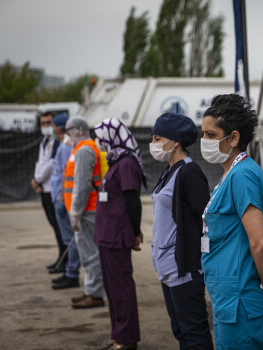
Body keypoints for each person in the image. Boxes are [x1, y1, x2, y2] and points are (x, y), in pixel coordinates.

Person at [200, 94, 263, 349]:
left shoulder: (242, 176)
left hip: (240, 301)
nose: (204, 141)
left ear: (234, 138)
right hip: (228, 300)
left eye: (210, 134)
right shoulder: (231, 174)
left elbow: (260, 242)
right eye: (203, 134)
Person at [150, 113, 213, 350]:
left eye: (158, 138)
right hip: (166, 266)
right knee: (180, 330)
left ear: (175, 141)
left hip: (184, 268)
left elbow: (205, 219)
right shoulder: (169, 170)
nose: (153, 143)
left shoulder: (189, 172)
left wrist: (200, 256)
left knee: (194, 333)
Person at [93, 118, 146, 350]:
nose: (99, 142)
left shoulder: (126, 164)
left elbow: (133, 202)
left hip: (117, 235)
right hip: (106, 235)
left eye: (101, 137)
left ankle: (127, 339)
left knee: (121, 288)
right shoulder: (115, 162)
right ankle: (118, 334)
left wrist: (136, 232)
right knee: (112, 289)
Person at [64, 116, 105, 309]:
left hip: (88, 210)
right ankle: (91, 290)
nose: (66, 136)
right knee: (88, 252)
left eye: (68, 131)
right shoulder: (82, 149)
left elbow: (82, 185)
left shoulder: (84, 150)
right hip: (87, 210)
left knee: (90, 254)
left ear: (78, 130)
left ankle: (95, 294)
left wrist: (75, 213)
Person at [49, 114, 81, 290]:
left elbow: (68, 174)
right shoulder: (64, 145)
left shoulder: (67, 147)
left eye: (53, 125)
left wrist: (63, 198)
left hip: (65, 199)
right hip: (60, 197)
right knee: (69, 238)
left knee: (71, 239)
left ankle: (71, 273)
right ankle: (69, 271)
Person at [31, 111, 66, 273]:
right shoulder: (44, 142)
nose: (46, 126)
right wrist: (36, 181)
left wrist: (37, 180)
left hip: (52, 189)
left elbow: (51, 165)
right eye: (43, 123)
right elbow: (40, 163)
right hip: (44, 187)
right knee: (54, 225)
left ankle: (64, 259)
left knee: (60, 226)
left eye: (48, 123)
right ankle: (61, 256)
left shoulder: (58, 143)